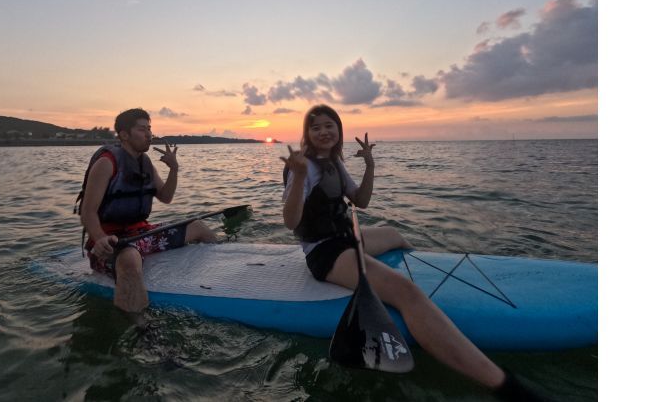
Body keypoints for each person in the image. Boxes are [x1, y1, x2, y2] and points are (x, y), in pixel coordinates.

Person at [281, 104, 547, 401]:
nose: (323, 131)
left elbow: (361, 201)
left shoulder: (334, 162)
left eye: (329, 125)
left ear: (339, 129)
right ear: (306, 134)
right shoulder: (303, 166)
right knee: (406, 292)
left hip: (346, 238)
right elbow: (291, 221)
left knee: (394, 234)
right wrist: (301, 177)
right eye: (314, 127)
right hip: (325, 252)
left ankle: (423, 289)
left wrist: (370, 165)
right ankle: (505, 386)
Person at [79, 108, 216, 312]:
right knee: (129, 260)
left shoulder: (145, 163)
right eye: (142, 129)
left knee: (198, 227)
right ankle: (142, 328)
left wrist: (174, 169)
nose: (149, 134)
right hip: (112, 242)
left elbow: (166, 197)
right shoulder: (107, 163)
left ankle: (227, 265)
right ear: (124, 135)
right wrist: (99, 238)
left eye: (149, 129)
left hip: (142, 233)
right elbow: (87, 212)